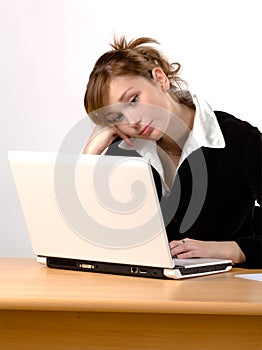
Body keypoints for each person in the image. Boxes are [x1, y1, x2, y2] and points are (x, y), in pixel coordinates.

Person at [83, 36, 262, 268]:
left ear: (160, 79)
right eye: (117, 117)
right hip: (148, 291)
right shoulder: (124, 152)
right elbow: (85, 239)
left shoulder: (239, 140)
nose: (133, 121)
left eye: (134, 100)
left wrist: (234, 250)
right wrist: (90, 154)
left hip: (224, 290)